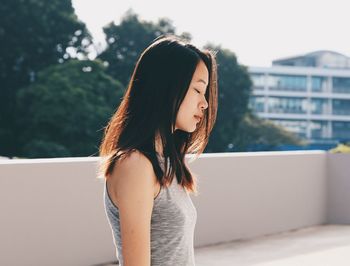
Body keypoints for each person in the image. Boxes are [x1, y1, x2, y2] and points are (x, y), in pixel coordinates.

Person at [98, 34, 218, 266]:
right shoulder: (135, 165)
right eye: (197, 90)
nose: (204, 103)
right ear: (167, 88)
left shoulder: (166, 163)